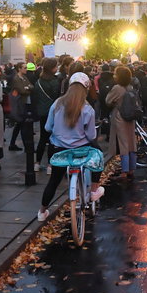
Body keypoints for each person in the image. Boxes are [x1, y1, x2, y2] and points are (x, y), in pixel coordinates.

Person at [37, 73, 104, 222]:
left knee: (54, 181)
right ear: (86, 89)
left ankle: (42, 212)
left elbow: (48, 127)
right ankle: (94, 190)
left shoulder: (57, 104)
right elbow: (91, 136)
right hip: (81, 150)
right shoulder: (88, 109)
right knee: (98, 156)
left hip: (58, 149)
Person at [106, 66, 139, 180]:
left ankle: (124, 170)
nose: (114, 76)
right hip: (131, 116)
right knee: (131, 141)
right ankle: (131, 168)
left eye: (115, 74)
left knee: (123, 143)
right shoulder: (130, 87)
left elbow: (108, 100)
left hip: (120, 117)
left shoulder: (117, 88)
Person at [34, 58, 60, 174]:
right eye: (56, 66)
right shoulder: (55, 81)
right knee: (52, 139)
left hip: (41, 112)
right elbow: (57, 97)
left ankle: (37, 163)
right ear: (52, 68)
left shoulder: (38, 81)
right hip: (53, 112)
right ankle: (50, 165)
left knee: (42, 138)